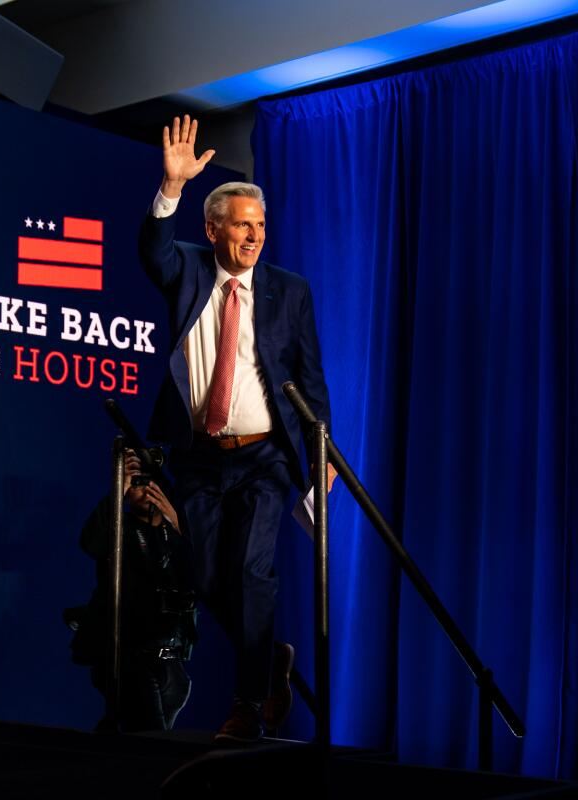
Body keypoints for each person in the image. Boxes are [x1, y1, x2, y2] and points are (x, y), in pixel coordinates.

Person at [138, 115, 334, 743]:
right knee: (199, 574)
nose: (254, 236)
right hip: (199, 454)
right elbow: (152, 251)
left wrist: (320, 453)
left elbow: (311, 377)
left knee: (252, 572)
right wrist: (170, 188)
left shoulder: (289, 291)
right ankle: (271, 659)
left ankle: (247, 704)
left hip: (265, 457)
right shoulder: (189, 271)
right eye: (242, 224)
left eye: (260, 225)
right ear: (213, 228)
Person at [65, 451, 197, 732]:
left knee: (127, 738)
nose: (148, 489)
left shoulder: (179, 534)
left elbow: (200, 577)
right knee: (150, 742)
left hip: (172, 664)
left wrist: (178, 524)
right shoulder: (119, 529)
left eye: (155, 482)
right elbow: (91, 543)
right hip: (130, 658)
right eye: (139, 482)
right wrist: (119, 485)